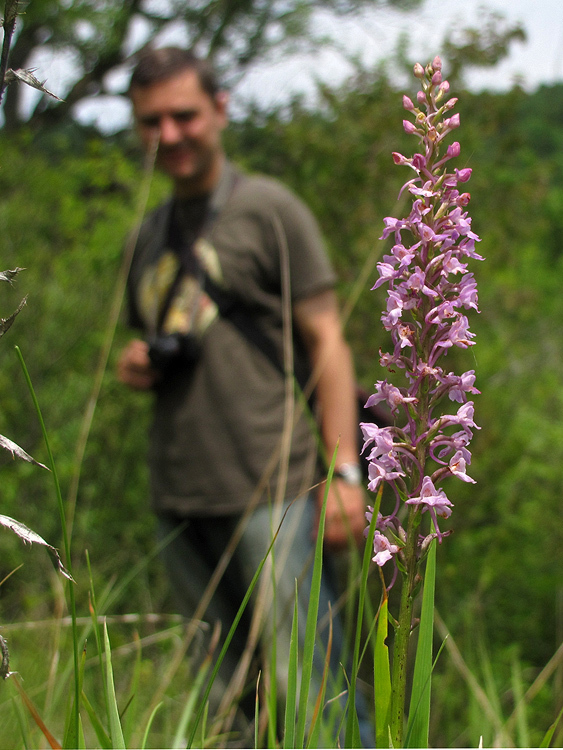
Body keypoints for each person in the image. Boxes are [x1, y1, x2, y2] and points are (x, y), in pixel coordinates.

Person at [117, 46, 369, 741]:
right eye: (150, 122)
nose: (168, 136)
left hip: (273, 487)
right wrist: (137, 365)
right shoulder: (146, 235)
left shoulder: (269, 210)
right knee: (225, 700)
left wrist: (344, 471)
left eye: (183, 116)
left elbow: (328, 339)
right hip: (178, 494)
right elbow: (159, 343)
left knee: (310, 687)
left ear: (220, 109)